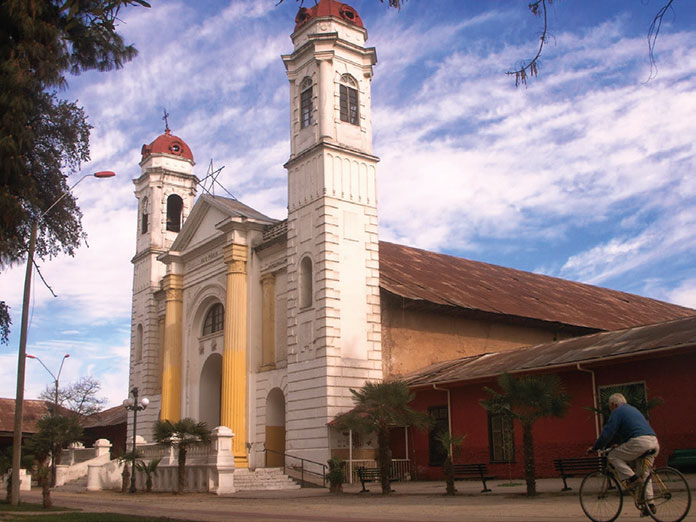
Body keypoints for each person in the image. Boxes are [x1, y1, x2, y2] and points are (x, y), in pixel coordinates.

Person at [588, 393, 659, 513]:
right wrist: (620, 444)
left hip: (639, 443)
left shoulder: (617, 411)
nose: (610, 410)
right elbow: (632, 430)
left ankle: (632, 478)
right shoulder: (633, 409)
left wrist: (595, 447)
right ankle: (650, 505)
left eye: (610, 407)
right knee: (645, 473)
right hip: (653, 441)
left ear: (613, 405)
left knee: (612, 456)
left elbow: (608, 432)